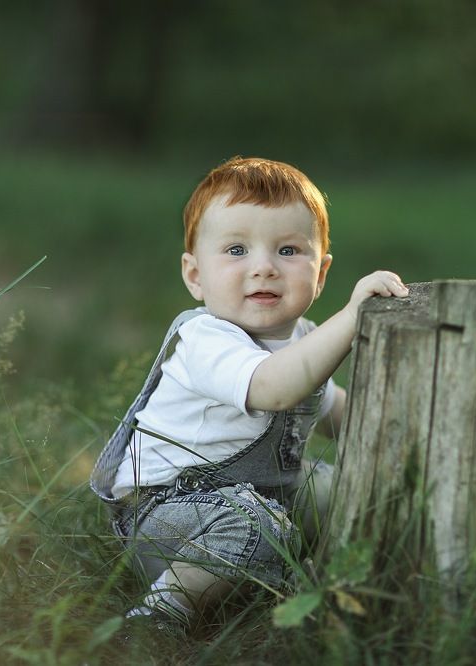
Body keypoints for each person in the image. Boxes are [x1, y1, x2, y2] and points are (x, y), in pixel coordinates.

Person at [90, 156, 407, 632]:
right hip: (170, 520)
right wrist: (353, 316)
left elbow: (334, 408)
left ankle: (347, 583)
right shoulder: (206, 339)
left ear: (319, 274)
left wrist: (402, 443)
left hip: (252, 502)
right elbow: (275, 388)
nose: (263, 268)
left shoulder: (305, 338)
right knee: (256, 524)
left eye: (287, 251)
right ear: (195, 276)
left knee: (338, 490)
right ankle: (162, 611)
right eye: (236, 250)